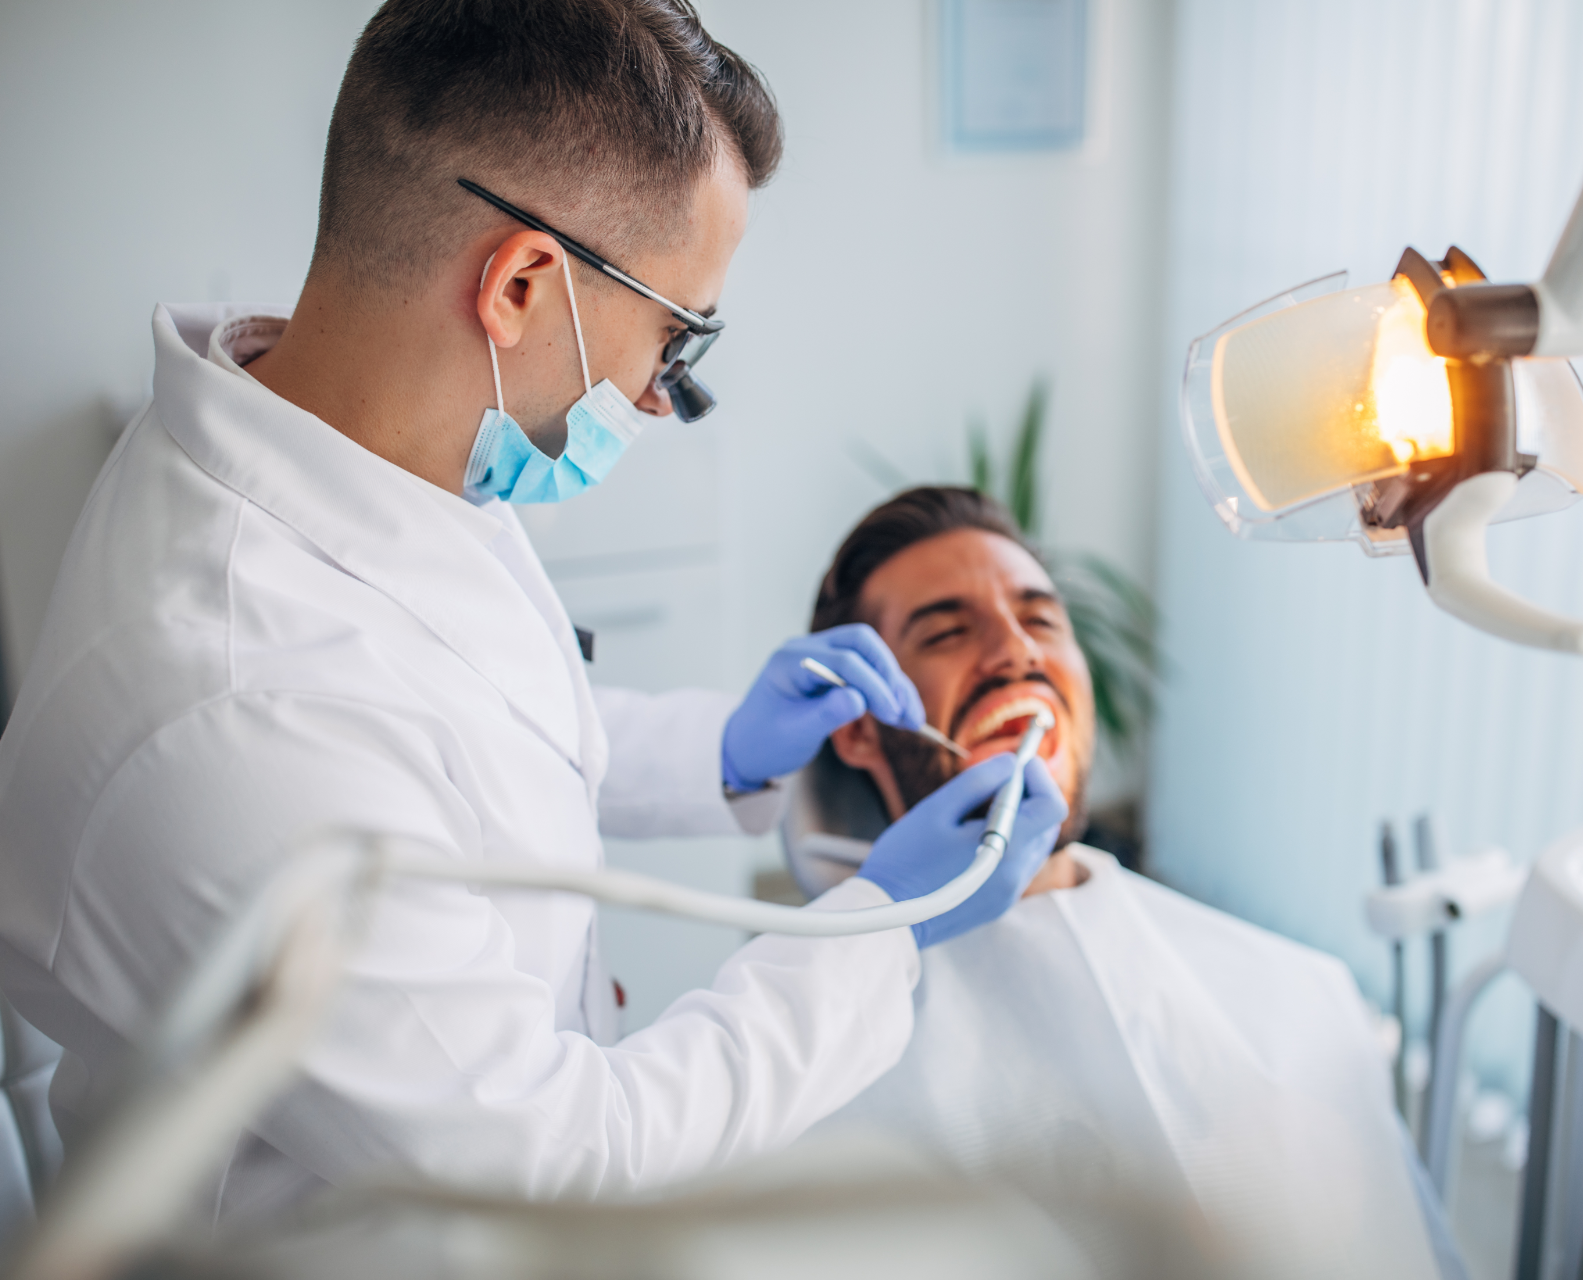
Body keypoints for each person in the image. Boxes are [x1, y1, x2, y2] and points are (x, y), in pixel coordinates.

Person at [0, 2, 1064, 1220]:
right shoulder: (237, 704)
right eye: (677, 336)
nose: (664, 398)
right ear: (519, 282)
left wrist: (717, 748)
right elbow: (564, 1155)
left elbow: (447, 751)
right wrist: (878, 926)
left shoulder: (345, 436)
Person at [781, 487, 1467, 1280]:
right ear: (860, 728)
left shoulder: (1303, 996)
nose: (1016, 653)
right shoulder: (805, 1079)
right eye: (946, 632)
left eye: (1041, 620)